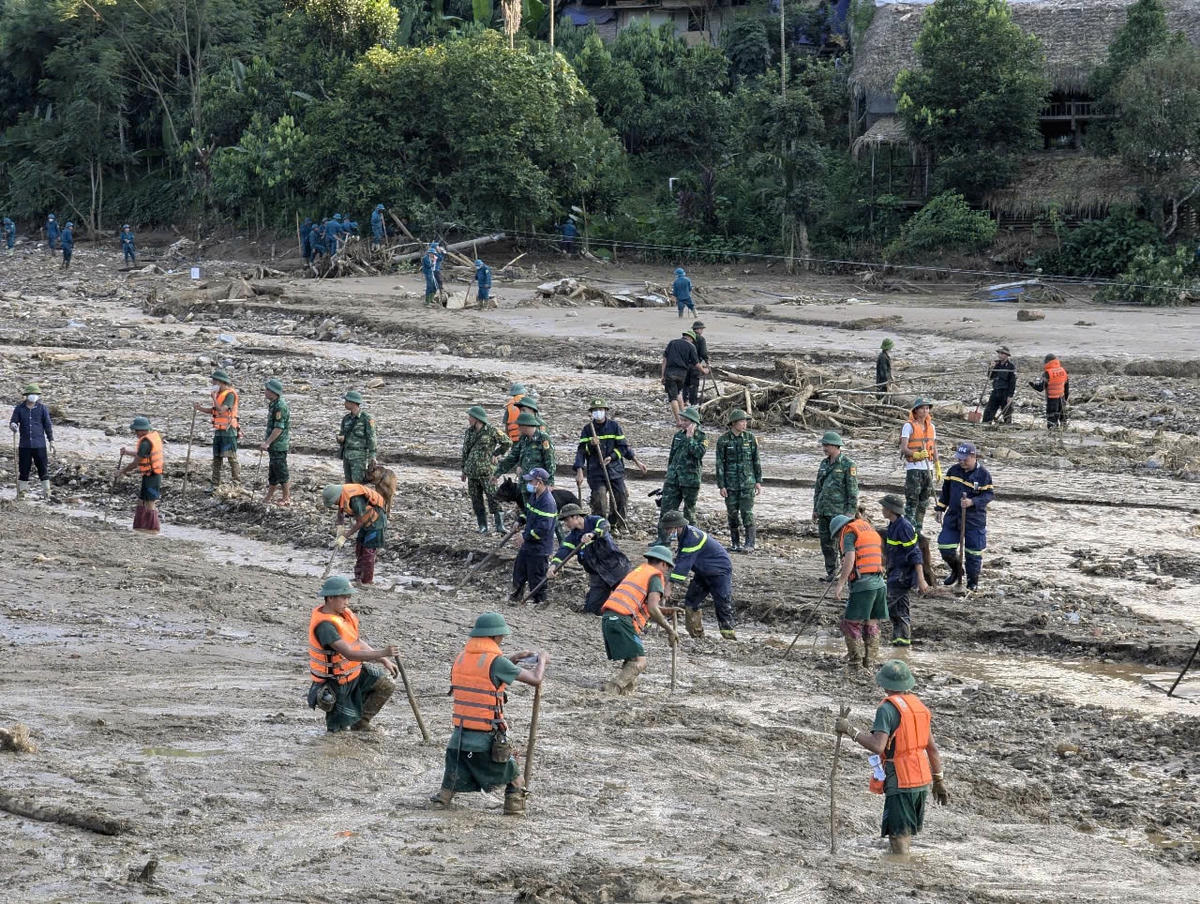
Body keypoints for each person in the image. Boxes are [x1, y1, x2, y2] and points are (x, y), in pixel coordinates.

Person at [431, 612, 548, 816]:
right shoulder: (498, 662)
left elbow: (485, 673)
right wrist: (543, 661)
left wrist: (513, 659)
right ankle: (514, 814)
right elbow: (535, 679)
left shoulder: (461, 658)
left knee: (449, 784)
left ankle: (440, 803)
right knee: (516, 779)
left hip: (458, 739)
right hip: (485, 741)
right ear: (495, 637)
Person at [834, 660, 949, 855]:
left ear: (885, 684)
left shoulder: (886, 710)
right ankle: (904, 862)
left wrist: (850, 730)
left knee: (897, 834)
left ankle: (902, 870)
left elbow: (877, 746)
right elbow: (933, 749)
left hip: (901, 778)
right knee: (905, 831)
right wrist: (938, 781)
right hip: (921, 780)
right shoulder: (919, 707)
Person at [306, 575, 399, 733]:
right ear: (330, 598)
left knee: (386, 684)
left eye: (348, 598)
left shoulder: (344, 615)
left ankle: (361, 723)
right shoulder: (325, 626)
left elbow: (356, 642)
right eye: (344, 598)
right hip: (336, 682)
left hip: (354, 673)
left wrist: (383, 659)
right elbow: (349, 653)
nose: (347, 602)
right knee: (337, 731)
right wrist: (383, 652)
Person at [600, 545, 679, 694]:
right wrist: (670, 630)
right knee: (640, 662)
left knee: (632, 659)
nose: (667, 571)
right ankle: (612, 688)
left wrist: (665, 610)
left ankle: (625, 692)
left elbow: (643, 604)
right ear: (663, 563)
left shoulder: (638, 572)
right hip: (622, 620)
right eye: (668, 567)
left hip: (610, 617)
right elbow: (653, 609)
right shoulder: (655, 577)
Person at [661, 510, 736, 640]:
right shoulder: (684, 535)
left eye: (669, 529)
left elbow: (683, 564)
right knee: (691, 601)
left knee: (722, 603)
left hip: (719, 572)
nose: (667, 532)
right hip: (703, 572)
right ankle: (697, 636)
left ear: (677, 526)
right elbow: (680, 559)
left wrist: (669, 585)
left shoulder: (692, 538)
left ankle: (729, 636)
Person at [572, 398, 644, 526]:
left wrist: (632, 460)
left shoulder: (614, 426)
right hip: (596, 472)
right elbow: (582, 451)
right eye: (595, 410)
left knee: (621, 496)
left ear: (605, 411)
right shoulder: (588, 429)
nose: (598, 412)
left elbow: (623, 447)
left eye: (600, 410)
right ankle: (600, 524)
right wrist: (580, 469)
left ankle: (616, 523)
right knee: (599, 499)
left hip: (615, 470)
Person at [549, 503, 632, 614]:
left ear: (576, 517)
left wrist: (592, 534)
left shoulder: (595, 521)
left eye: (567, 520)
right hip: (597, 576)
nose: (566, 524)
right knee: (591, 610)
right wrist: (554, 565)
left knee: (629, 601)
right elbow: (563, 551)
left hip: (616, 568)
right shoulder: (572, 538)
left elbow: (604, 525)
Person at [935, 441, 994, 592]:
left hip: (974, 520)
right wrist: (940, 508)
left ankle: (972, 582)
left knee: (973, 553)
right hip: (954, 516)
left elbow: (988, 495)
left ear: (973, 456)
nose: (961, 462)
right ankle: (956, 570)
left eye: (964, 460)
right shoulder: (953, 471)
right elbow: (946, 492)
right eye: (959, 459)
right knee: (944, 545)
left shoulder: (983, 475)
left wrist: (972, 502)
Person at [831, 512, 887, 671]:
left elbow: (850, 557)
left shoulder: (848, 533)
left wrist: (840, 583)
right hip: (879, 583)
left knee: (850, 624)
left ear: (839, 530)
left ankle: (855, 664)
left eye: (836, 537)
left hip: (864, 585)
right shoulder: (867, 528)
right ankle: (869, 664)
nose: (838, 540)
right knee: (871, 623)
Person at [880, 494, 927, 646]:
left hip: (902, 575)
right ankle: (901, 643)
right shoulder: (893, 526)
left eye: (884, 507)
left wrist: (921, 579)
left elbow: (915, 553)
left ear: (890, 510)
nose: (882, 510)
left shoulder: (904, 527)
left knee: (882, 604)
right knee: (899, 611)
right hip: (895, 571)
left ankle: (864, 636)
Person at [656, 406, 707, 543]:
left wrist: (690, 438)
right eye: (682, 420)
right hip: (674, 479)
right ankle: (663, 539)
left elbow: (699, 454)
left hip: (690, 480)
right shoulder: (678, 435)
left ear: (693, 422)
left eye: (685, 420)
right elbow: (672, 456)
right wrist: (668, 474)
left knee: (689, 512)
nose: (682, 423)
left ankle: (691, 540)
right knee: (666, 509)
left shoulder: (701, 437)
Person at [812, 431, 858, 582]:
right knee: (826, 544)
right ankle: (831, 573)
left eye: (827, 445)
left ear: (836, 446)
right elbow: (818, 487)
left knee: (842, 545)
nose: (824, 448)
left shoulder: (848, 465)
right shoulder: (824, 463)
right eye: (823, 445)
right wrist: (815, 508)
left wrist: (850, 512)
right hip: (824, 510)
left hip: (839, 514)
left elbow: (852, 491)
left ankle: (846, 574)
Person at [322, 482, 388, 587]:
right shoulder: (342, 495)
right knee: (359, 548)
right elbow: (341, 512)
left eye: (334, 502)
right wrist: (340, 528)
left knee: (368, 551)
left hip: (376, 522)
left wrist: (345, 536)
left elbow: (360, 522)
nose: (334, 504)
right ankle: (358, 578)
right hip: (365, 521)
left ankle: (367, 581)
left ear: (337, 497)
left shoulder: (355, 499)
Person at [715, 408, 761, 553]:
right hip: (731, 484)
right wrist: (721, 485)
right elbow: (719, 463)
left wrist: (758, 481)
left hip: (747, 482)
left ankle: (750, 544)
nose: (744, 424)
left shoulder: (750, 438)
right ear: (733, 423)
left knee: (747, 512)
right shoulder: (723, 440)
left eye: (746, 421)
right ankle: (735, 543)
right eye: (742, 421)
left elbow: (756, 460)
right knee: (732, 514)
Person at [461, 405, 511, 533]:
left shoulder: (492, 431)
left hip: (487, 472)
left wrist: (496, 454)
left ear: (477, 418)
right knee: (476, 500)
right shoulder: (469, 432)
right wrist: (464, 470)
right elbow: (465, 452)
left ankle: (500, 526)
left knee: (493, 498)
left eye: (470, 417)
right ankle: (482, 526)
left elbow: (507, 442)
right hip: (472, 473)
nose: (469, 419)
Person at [510, 468, 557, 604]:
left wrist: (524, 536)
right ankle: (515, 597)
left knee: (536, 577)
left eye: (531, 481)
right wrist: (520, 521)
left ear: (540, 482)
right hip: (528, 545)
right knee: (519, 571)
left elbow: (543, 529)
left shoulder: (547, 502)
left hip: (539, 548)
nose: (529, 483)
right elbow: (528, 512)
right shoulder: (534, 496)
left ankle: (540, 602)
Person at [492, 410, 555, 506]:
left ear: (526, 426)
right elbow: (512, 458)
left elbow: (550, 462)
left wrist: (550, 483)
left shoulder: (543, 438)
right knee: (528, 512)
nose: (518, 428)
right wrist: (497, 473)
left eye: (519, 426)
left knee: (541, 512)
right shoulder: (524, 439)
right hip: (525, 484)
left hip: (538, 485)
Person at [192, 369, 240, 491]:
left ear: (221, 382)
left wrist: (213, 398)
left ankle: (236, 484)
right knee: (217, 458)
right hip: (219, 431)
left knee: (231, 458)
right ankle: (215, 484)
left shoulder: (229, 395)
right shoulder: (219, 395)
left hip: (229, 432)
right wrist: (200, 408)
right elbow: (214, 410)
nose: (213, 384)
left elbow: (221, 410)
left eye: (214, 381)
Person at [899, 398, 937, 535]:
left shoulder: (931, 427)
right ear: (915, 410)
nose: (925, 411)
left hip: (928, 469)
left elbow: (934, 447)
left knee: (924, 502)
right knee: (912, 501)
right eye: (922, 408)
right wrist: (916, 455)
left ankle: (918, 530)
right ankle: (908, 529)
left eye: (927, 408)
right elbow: (904, 448)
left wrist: (937, 466)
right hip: (914, 469)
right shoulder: (908, 426)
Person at [10, 383, 54, 500]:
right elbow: (13, 421)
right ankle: (22, 492)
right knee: (24, 469)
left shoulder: (42, 408)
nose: (33, 396)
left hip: (40, 445)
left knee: (43, 468)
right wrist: (13, 425)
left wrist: (51, 441)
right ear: (27, 395)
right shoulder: (19, 408)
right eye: (31, 394)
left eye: (36, 394)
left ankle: (47, 492)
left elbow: (48, 425)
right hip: (24, 445)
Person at [118, 416, 163, 532]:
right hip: (148, 475)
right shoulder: (151, 437)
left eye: (136, 431)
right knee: (142, 500)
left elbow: (135, 463)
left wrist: (122, 471)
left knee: (150, 502)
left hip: (152, 476)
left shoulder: (146, 443)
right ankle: (140, 527)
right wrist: (127, 452)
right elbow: (141, 455)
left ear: (143, 430)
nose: (135, 433)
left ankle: (153, 529)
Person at [260, 378, 291, 506]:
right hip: (274, 445)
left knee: (281, 471)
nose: (265, 391)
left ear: (273, 391)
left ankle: (286, 497)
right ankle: (269, 496)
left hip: (279, 445)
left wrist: (267, 443)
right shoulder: (274, 404)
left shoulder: (280, 406)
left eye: (267, 389)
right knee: (273, 471)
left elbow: (278, 428)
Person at [661, 330, 702, 424]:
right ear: (691, 338)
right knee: (678, 393)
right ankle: (684, 417)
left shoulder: (672, 343)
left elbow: (664, 360)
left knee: (672, 398)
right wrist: (704, 370)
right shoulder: (691, 346)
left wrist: (662, 375)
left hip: (670, 372)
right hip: (682, 374)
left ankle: (678, 421)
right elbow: (696, 363)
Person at [338, 390, 376, 484]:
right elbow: (341, 434)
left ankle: (358, 499)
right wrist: (340, 439)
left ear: (353, 403)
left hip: (359, 457)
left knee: (358, 484)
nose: (345, 403)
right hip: (347, 455)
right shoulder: (346, 419)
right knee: (348, 484)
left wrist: (372, 456)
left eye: (346, 401)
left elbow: (371, 438)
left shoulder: (366, 418)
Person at [1029, 353, 1069, 429]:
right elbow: (1066, 387)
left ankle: (1053, 432)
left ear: (1047, 362)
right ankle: (1065, 430)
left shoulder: (1047, 373)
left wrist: (1032, 385)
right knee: (1063, 415)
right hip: (1061, 397)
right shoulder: (1063, 371)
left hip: (1052, 399)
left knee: (1052, 416)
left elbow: (1040, 388)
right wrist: (1065, 398)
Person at [982, 346, 1016, 425]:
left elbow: (1012, 382)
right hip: (996, 390)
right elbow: (990, 377)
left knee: (1007, 411)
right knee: (989, 410)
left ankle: (1007, 426)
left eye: (1002, 354)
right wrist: (991, 368)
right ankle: (985, 424)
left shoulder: (1011, 366)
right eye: (999, 353)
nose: (999, 355)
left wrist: (1010, 396)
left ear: (1006, 355)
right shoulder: (996, 364)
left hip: (1005, 392)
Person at [684, 320, 711, 405]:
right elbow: (703, 353)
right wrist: (707, 361)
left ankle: (684, 400)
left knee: (686, 384)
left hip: (684, 364)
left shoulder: (686, 338)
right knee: (694, 385)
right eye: (702, 329)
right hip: (695, 365)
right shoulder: (701, 339)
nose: (702, 331)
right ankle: (693, 403)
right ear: (698, 329)